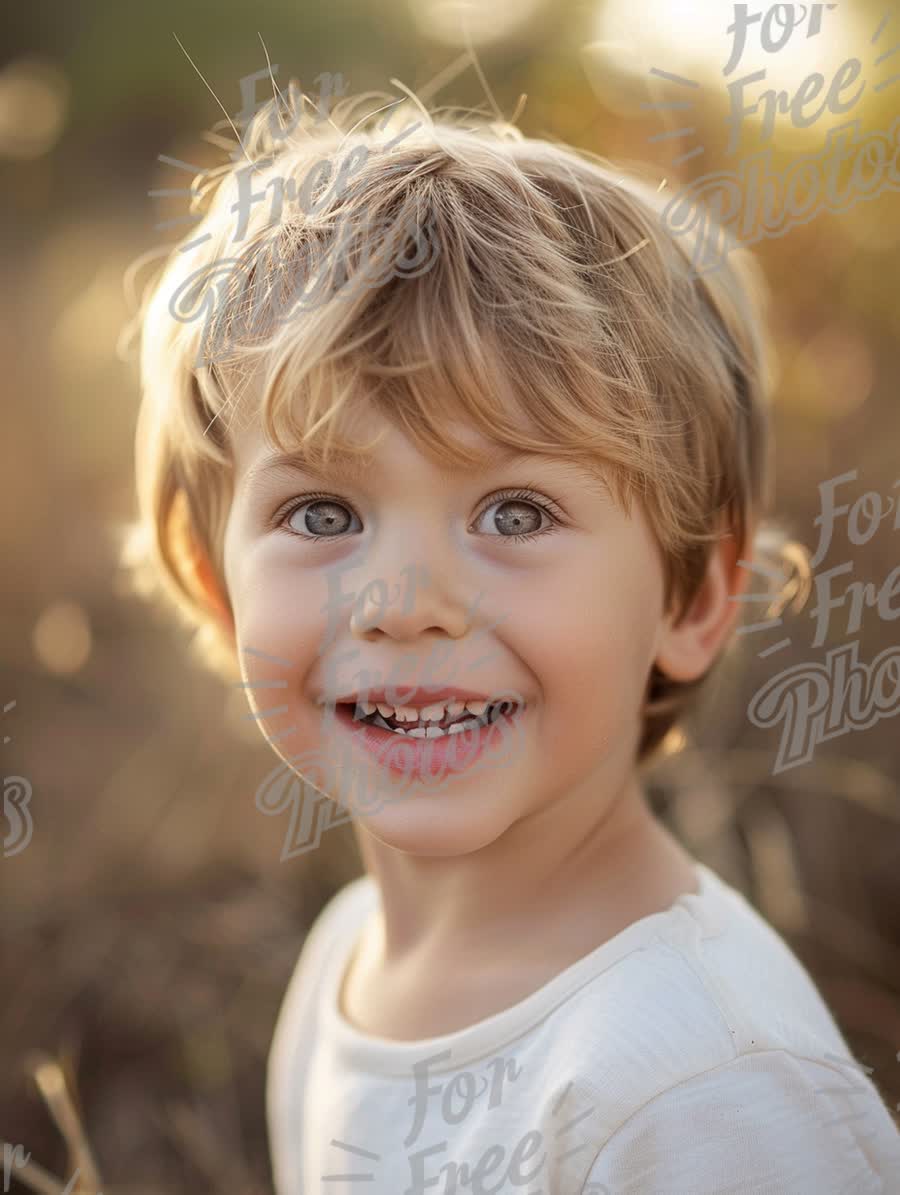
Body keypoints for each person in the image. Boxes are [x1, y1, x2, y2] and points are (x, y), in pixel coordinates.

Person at [121, 82, 900, 1193]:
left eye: (516, 513)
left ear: (692, 600)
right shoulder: (346, 956)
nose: (405, 601)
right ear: (216, 584)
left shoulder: (706, 1091)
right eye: (323, 514)